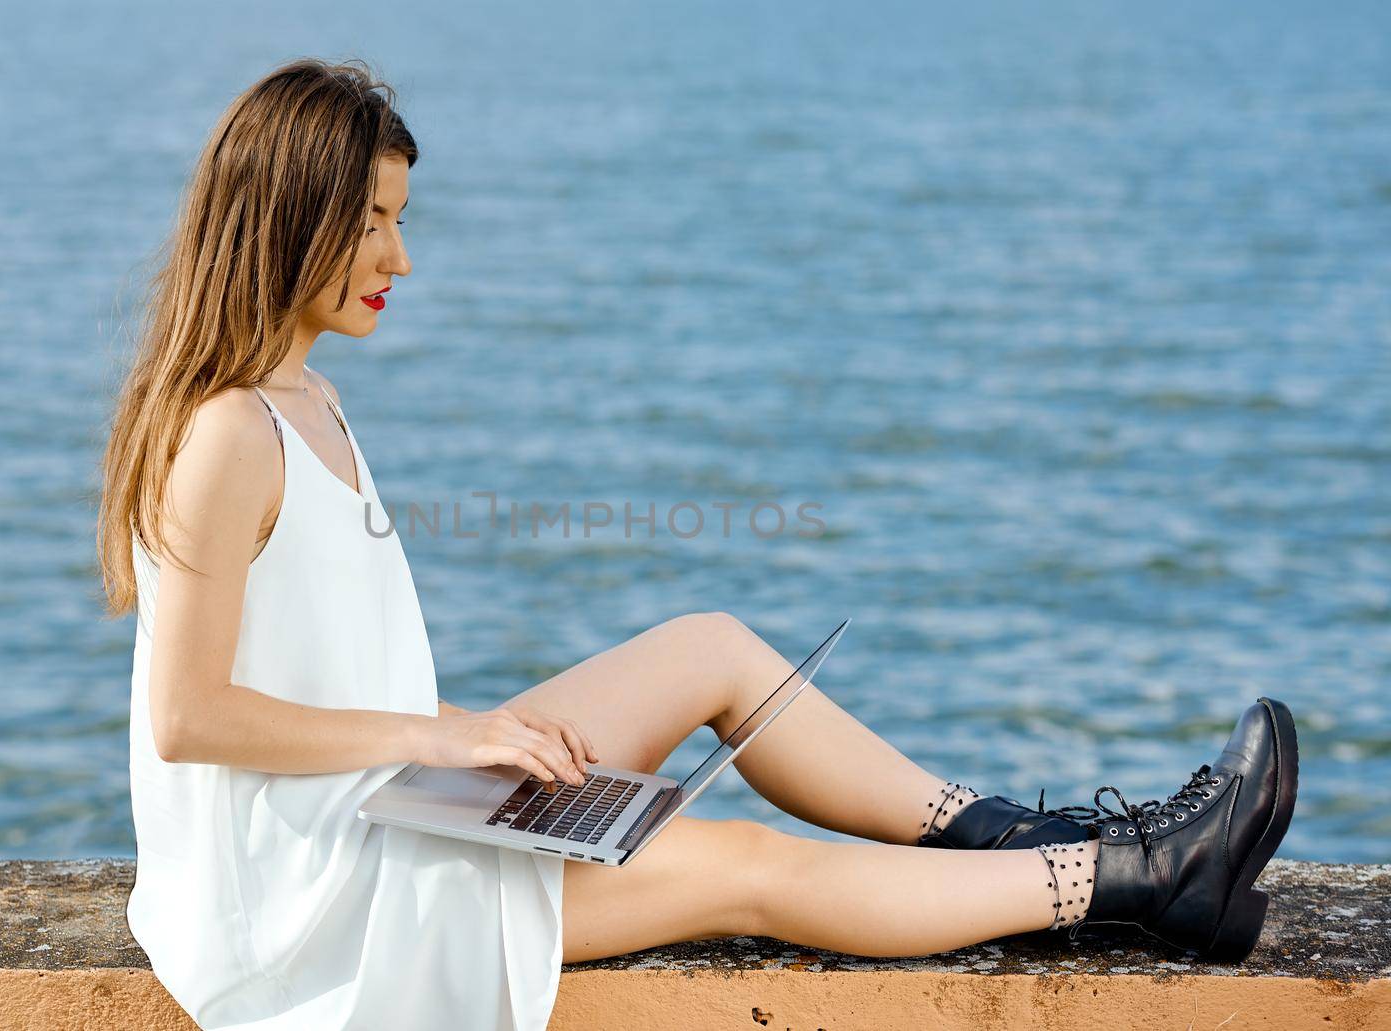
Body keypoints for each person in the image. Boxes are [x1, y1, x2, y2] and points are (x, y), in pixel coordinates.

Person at [94, 58, 1300, 1031]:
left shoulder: (303, 396)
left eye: (401, 222)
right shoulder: (227, 433)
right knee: (743, 863)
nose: (400, 258)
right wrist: (443, 732)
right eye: (373, 224)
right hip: (322, 908)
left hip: (374, 811)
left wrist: (471, 746)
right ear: (293, 213)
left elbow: (310, 673)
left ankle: (1020, 833)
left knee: (710, 648)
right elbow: (190, 716)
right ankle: (1131, 876)